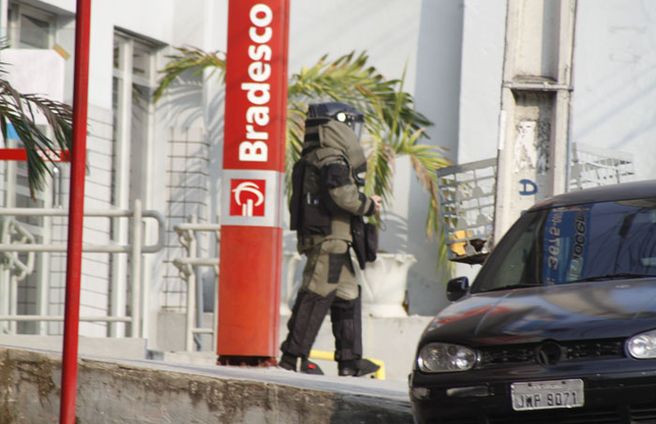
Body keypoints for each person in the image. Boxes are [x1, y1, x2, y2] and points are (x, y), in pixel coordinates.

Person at [279, 101, 382, 377]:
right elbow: (342, 195)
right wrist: (369, 204)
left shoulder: (315, 156)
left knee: (347, 295)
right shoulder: (330, 159)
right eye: (350, 125)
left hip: (333, 239)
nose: (354, 131)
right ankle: (293, 358)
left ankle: (350, 362)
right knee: (316, 293)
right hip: (330, 239)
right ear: (337, 126)